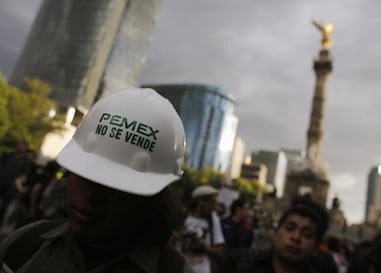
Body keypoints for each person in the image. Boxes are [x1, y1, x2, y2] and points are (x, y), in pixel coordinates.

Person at [0, 87, 195, 273]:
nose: (92, 195)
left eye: (116, 184)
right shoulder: (24, 246)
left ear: (154, 198)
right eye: (86, 173)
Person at [237, 197, 330, 273]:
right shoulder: (239, 265)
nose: (296, 237)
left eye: (307, 234)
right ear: (275, 233)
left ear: (316, 248)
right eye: (290, 228)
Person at [180, 185, 225, 273]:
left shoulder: (213, 220)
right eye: (211, 202)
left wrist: (204, 247)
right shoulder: (183, 217)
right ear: (200, 201)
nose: (214, 206)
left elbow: (219, 251)